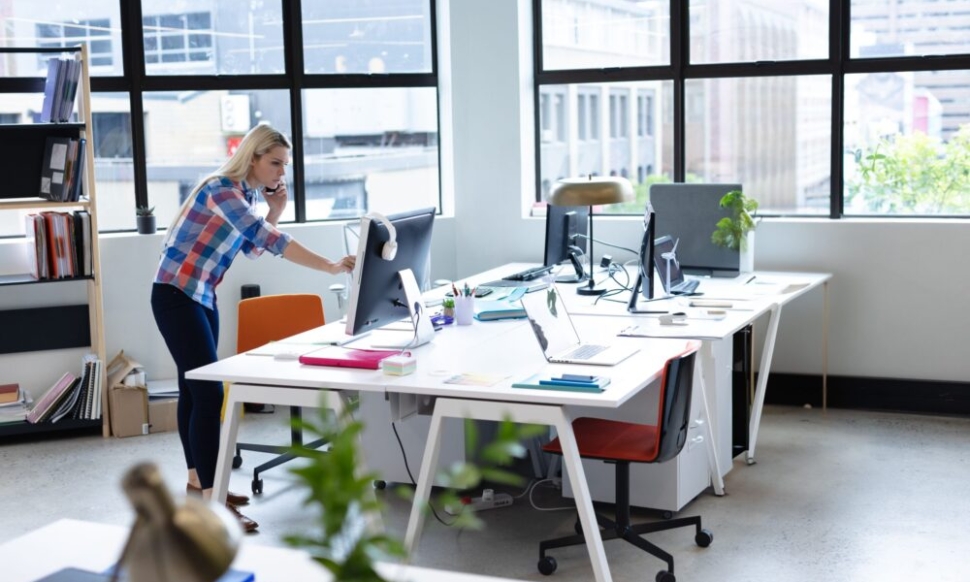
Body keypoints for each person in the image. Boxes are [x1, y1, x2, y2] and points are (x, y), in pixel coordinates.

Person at [150, 123, 355, 533]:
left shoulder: (244, 195)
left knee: (195, 389)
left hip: (200, 295)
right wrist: (330, 265)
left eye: (285, 165)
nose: (281, 173)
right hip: (175, 295)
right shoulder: (221, 190)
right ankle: (213, 503)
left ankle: (199, 486)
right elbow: (267, 240)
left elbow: (249, 246)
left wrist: (274, 211)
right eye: (275, 163)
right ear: (254, 157)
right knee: (209, 393)